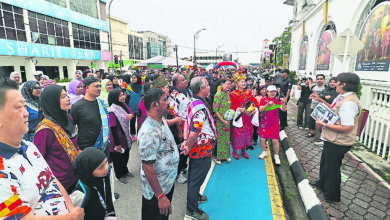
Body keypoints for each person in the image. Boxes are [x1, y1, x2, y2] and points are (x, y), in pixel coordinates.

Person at [0, 79, 84, 219]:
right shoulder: (2, 171)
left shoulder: (28, 146)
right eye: (17, 108)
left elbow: (52, 180)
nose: (26, 113)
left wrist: (71, 208)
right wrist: (70, 217)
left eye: (25, 107)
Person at [309, 72, 361, 204]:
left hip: (339, 141)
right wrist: (320, 100)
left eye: (337, 82)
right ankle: (322, 183)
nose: (335, 84)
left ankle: (332, 196)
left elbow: (348, 127)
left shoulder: (349, 103)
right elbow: (333, 111)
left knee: (332, 168)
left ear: (344, 84)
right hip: (332, 138)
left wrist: (323, 124)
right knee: (325, 163)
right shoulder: (342, 97)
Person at [138, 88, 179, 220]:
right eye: (165, 100)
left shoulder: (160, 120)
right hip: (157, 192)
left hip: (166, 183)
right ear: (154, 105)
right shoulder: (148, 132)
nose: (168, 102)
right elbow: (147, 166)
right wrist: (160, 196)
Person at [34, 85, 80, 193]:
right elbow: (37, 161)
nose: (67, 98)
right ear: (52, 101)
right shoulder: (45, 131)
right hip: (61, 185)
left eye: (67, 95)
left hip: (76, 176)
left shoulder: (68, 118)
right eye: (63, 97)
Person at [181, 77, 216, 220]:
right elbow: (195, 131)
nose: (209, 87)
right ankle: (192, 209)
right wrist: (188, 146)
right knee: (196, 177)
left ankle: (195, 196)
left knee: (196, 175)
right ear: (201, 89)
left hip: (199, 147)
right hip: (200, 149)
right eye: (207, 85)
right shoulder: (199, 108)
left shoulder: (193, 101)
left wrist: (185, 141)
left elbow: (185, 122)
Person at [73, 147, 116, 220]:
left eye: (106, 162)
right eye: (101, 167)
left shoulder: (106, 174)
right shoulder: (80, 192)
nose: (106, 168)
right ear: (89, 170)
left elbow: (109, 193)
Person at [70, 76, 110, 151]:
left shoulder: (101, 104)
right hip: (86, 148)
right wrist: (76, 148)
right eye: (96, 86)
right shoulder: (77, 106)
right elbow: (71, 128)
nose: (99, 89)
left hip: (104, 146)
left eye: (100, 86)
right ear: (87, 87)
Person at [108, 89, 134, 184]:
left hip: (125, 136)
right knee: (118, 159)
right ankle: (119, 175)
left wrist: (130, 116)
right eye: (120, 95)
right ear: (114, 97)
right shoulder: (112, 111)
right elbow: (113, 129)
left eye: (123, 94)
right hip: (117, 138)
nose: (123, 97)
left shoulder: (123, 105)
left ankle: (125, 171)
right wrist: (117, 144)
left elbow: (131, 113)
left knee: (126, 155)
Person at [230, 73, 258, 159]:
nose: (243, 83)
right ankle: (235, 151)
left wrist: (254, 109)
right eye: (241, 82)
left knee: (246, 133)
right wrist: (238, 109)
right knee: (237, 134)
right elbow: (231, 106)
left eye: (244, 82)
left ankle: (243, 151)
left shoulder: (248, 93)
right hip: (239, 117)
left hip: (247, 117)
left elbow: (255, 102)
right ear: (237, 83)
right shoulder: (233, 94)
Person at [169, 73, 190, 184]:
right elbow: (174, 114)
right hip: (180, 128)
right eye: (183, 79)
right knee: (180, 151)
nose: (185, 81)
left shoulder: (185, 92)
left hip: (187, 126)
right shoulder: (174, 95)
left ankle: (183, 167)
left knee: (185, 150)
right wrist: (180, 132)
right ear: (177, 83)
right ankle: (178, 173)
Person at [258, 85, 287, 165]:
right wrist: (268, 104)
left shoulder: (277, 100)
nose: (272, 93)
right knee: (262, 139)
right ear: (267, 92)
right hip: (265, 122)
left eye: (274, 91)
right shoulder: (263, 100)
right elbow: (260, 109)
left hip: (274, 123)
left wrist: (284, 102)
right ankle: (264, 151)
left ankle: (276, 155)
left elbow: (283, 109)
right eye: (271, 91)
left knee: (275, 140)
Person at [212, 77, 232, 164]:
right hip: (220, 121)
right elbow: (215, 110)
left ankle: (226, 156)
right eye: (227, 84)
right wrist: (222, 121)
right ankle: (217, 157)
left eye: (230, 84)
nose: (229, 86)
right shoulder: (218, 95)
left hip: (227, 121)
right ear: (222, 84)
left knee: (226, 138)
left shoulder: (228, 94)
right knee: (219, 139)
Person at [125, 73, 144, 142]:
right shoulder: (129, 86)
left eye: (135, 77)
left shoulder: (142, 87)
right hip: (131, 107)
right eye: (132, 78)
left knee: (140, 121)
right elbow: (127, 98)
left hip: (140, 108)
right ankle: (133, 134)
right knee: (132, 122)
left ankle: (140, 134)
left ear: (138, 78)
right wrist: (126, 108)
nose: (133, 79)